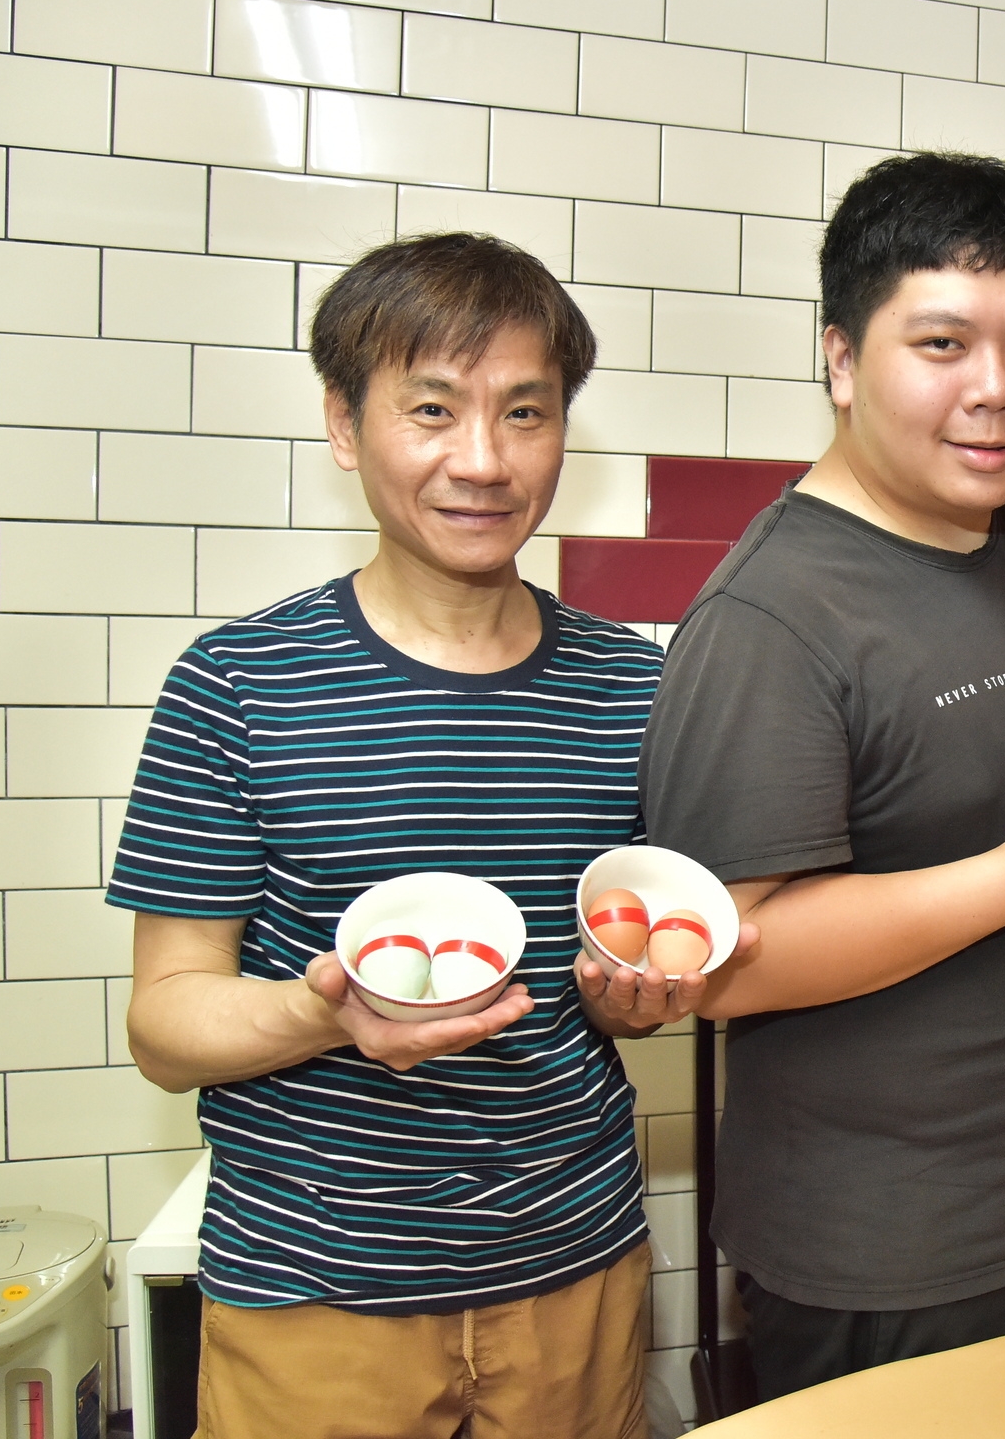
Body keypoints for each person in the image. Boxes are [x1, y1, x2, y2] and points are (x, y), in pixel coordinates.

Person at [113, 233, 731, 1439]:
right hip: (313, 1297)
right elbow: (164, 1022)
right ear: (345, 425)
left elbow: (605, 984)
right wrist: (318, 1009)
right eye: (433, 409)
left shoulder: (635, 689)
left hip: (575, 1270)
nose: (483, 461)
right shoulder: (235, 685)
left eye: (525, 412)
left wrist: (634, 996)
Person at [638, 152, 1005, 1399]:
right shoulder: (773, 619)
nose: (997, 392)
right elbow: (726, 960)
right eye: (942, 343)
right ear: (839, 359)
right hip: (891, 1262)